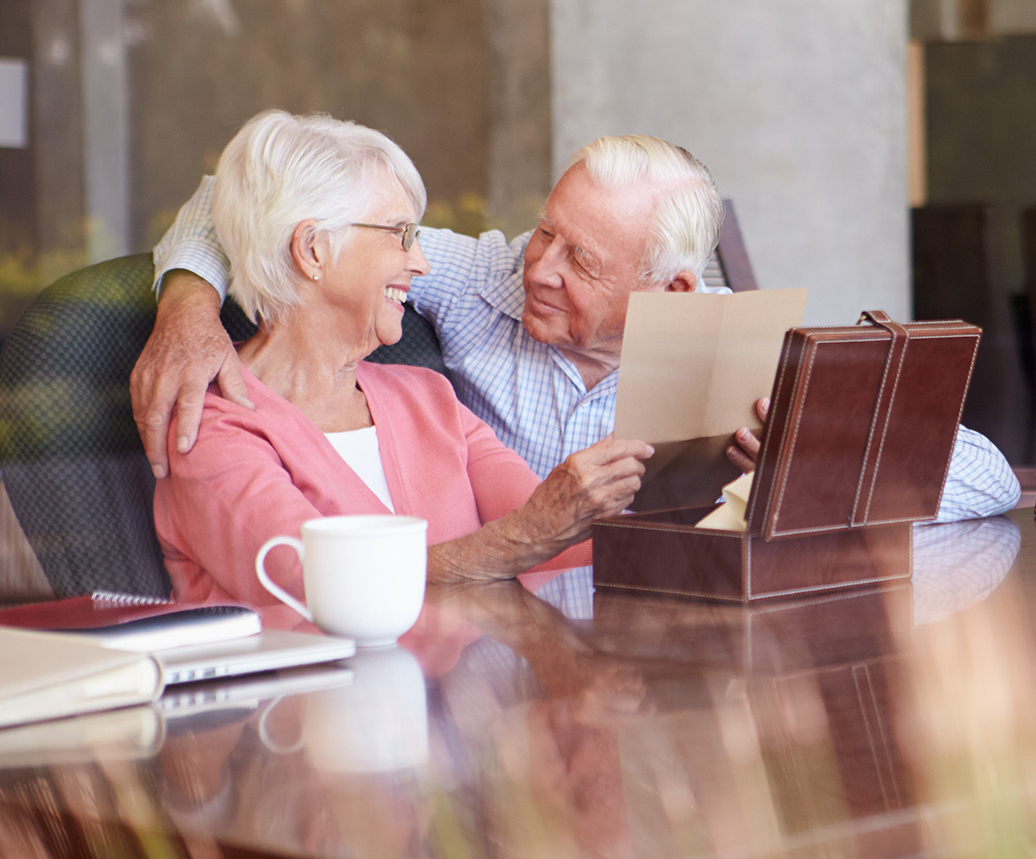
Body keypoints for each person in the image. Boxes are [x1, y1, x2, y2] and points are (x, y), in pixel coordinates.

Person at [135, 129, 1021, 523]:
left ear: (672, 288)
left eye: (580, 260)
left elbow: (990, 480)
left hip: (671, 652)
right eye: (545, 228)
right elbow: (245, 197)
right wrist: (187, 303)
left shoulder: (732, 344)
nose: (539, 267)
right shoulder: (487, 274)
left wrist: (820, 455)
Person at [154, 111, 659, 603]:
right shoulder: (210, 424)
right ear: (311, 249)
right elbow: (319, 588)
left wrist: (729, 505)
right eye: (402, 235)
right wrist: (526, 538)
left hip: (471, 685)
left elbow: (567, 541)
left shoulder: (427, 397)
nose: (421, 262)